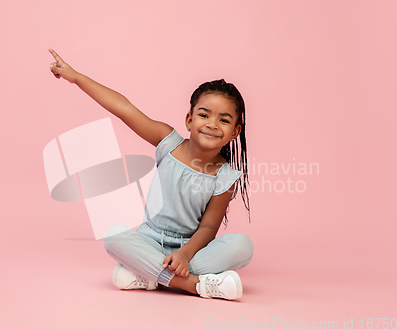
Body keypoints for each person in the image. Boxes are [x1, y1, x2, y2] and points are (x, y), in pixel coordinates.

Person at [48, 48, 254, 301]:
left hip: (192, 249)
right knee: (114, 235)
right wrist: (76, 77)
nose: (212, 124)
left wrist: (185, 255)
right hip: (149, 241)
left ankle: (149, 274)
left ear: (235, 131)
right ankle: (195, 285)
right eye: (204, 115)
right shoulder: (168, 142)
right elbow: (124, 107)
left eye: (224, 120)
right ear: (189, 120)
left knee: (243, 246)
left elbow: (209, 228)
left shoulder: (225, 176)